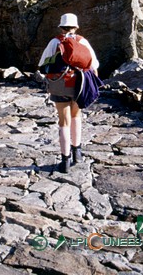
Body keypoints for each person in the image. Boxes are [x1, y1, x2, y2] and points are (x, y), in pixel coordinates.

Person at [38, 12, 99, 173]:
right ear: (76, 26)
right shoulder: (82, 41)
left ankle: (64, 161)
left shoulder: (55, 42)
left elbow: (42, 65)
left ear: (61, 27)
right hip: (79, 85)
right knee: (76, 116)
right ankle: (77, 152)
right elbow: (94, 64)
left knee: (63, 122)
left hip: (60, 85)